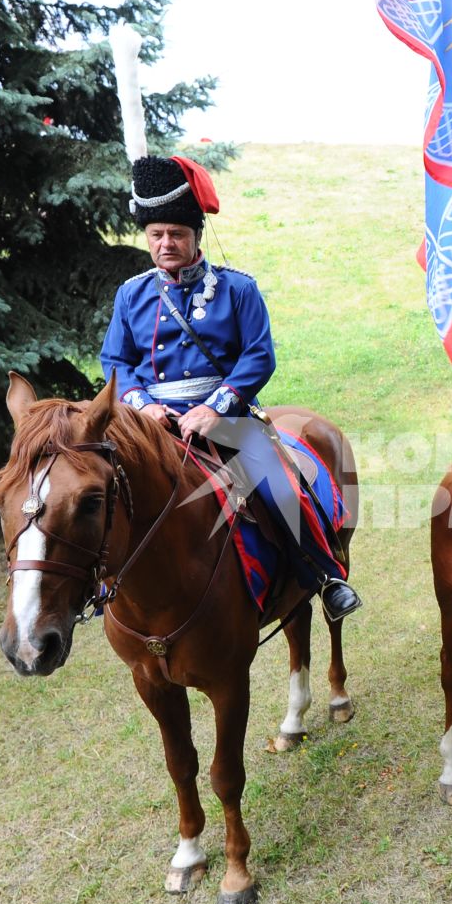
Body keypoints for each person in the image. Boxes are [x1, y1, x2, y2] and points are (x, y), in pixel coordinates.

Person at [100, 154, 360, 620]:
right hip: (153, 423)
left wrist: (216, 409)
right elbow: (116, 361)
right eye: (156, 234)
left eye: (176, 234)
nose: (166, 244)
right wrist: (142, 407)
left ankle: (325, 575)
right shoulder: (131, 294)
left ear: (196, 235)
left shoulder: (238, 289)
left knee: (280, 482)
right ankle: (101, 585)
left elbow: (259, 356)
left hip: (229, 418)